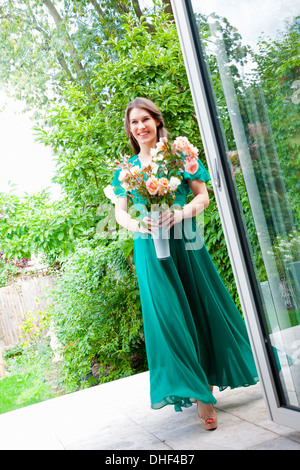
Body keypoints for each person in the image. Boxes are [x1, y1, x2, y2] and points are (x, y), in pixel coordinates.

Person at [112, 97, 259, 431]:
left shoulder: (181, 158)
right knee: (169, 319)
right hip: (149, 250)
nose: (141, 127)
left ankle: (204, 392)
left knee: (199, 309)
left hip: (186, 243)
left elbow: (203, 197)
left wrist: (177, 213)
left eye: (146, 119)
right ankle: (196, 391)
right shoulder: (126, 170)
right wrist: (140, 226)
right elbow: (120, 212)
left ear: (156, 122)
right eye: (134, 122)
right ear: (130, 130)